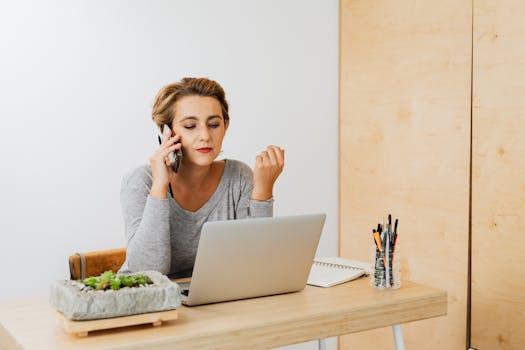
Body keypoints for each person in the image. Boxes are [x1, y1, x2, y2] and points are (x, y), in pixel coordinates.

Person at [118, 77, 285, 277]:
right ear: (166, 133)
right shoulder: (141, 181)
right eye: (190, 126)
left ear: (226, 126)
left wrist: (263, 190)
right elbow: (148, 271)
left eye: (214, 124)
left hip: (210, 298)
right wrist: (159, 188)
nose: (205, 135)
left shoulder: (238, 177)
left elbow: (256, 264)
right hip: (148, 301)